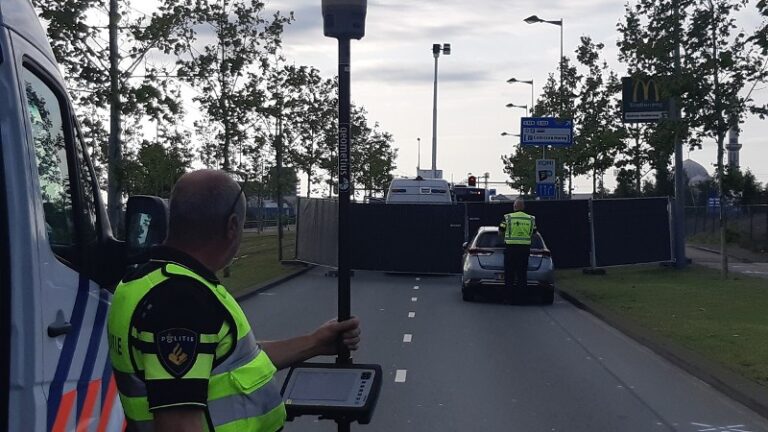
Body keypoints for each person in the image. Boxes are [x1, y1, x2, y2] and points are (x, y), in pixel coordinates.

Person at [107, 169, 361, 432]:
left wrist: (314, 343)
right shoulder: (181, 300)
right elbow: (179, 425)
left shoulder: (153, 282)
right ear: (231, 226)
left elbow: (228, 362)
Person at [498, 199, 536, 303]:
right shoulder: (531, 219)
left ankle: (508, 298)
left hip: (510, 249)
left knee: (509, 274)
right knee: (522, 274)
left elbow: (500, 232)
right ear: (523, 207)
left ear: (514, 207)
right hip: (524, 250)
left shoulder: (507, 217)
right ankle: (521, 298)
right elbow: (534, 233)